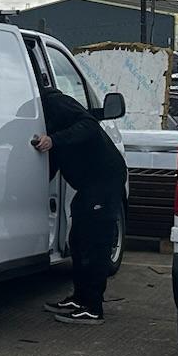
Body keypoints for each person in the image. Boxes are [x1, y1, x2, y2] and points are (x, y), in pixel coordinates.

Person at [31, 87, 126, 326]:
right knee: (78, 239)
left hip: (104, 179)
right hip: (90, 184)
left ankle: (93, 307)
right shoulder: (39, 116)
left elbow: (90, 125)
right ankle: (79, 298)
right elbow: (51, 165)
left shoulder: (55, 102)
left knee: (94, 242)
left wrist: (54, 140)